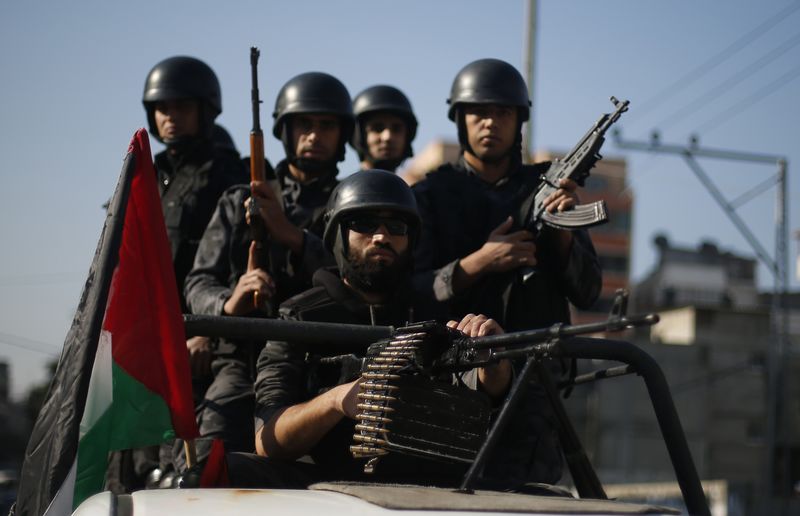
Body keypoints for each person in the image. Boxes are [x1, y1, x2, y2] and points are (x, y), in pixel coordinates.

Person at [224, 170, 511, 488]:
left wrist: (493, 364)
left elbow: (478, 387)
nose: (381, 237)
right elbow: (269, 441)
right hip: (328, 488)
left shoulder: (432, 311)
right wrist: (336, 401)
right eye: (363, 224)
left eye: (396, 227)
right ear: (337, 235)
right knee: (232, 471)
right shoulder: (299, 318)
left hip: (427, 486)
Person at [410, 58, 603, 484]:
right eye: (479, 112)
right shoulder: (430, 196)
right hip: (448, 379)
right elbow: (410, 291)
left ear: (519, 121)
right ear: (460, 119)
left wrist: (562, 233)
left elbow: (589, 291)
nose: (490, 123)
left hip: (534, 383)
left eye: (503, 112)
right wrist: (479, 263)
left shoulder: (549, 189)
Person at [181, 72, 354, 470]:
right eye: (304, 125)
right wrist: (229, 302)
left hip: (319, 362)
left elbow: (357, 278)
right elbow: (198, 281)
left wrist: (292, 236)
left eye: (326, 125)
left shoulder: (352, 203)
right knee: (208, 460)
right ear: (284, 131)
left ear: (342, 134)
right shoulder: (237, 200)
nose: (314, 135)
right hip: (240, 358)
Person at [106, 56, 250, 492]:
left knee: (186, 464)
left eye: (181, 107)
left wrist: (206, 329)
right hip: (142, 338)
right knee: (128, 465)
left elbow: (235, 262)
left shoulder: (228, 175)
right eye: (162, 108)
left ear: (205, 110)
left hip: (200, 338)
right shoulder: (146, 174)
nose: (170, 118)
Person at [350, 85, 417, 172]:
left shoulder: (416, 185)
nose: (387, 137)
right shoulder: (341, 186)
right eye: (377, 129)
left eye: (396, 129)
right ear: (358, 135)